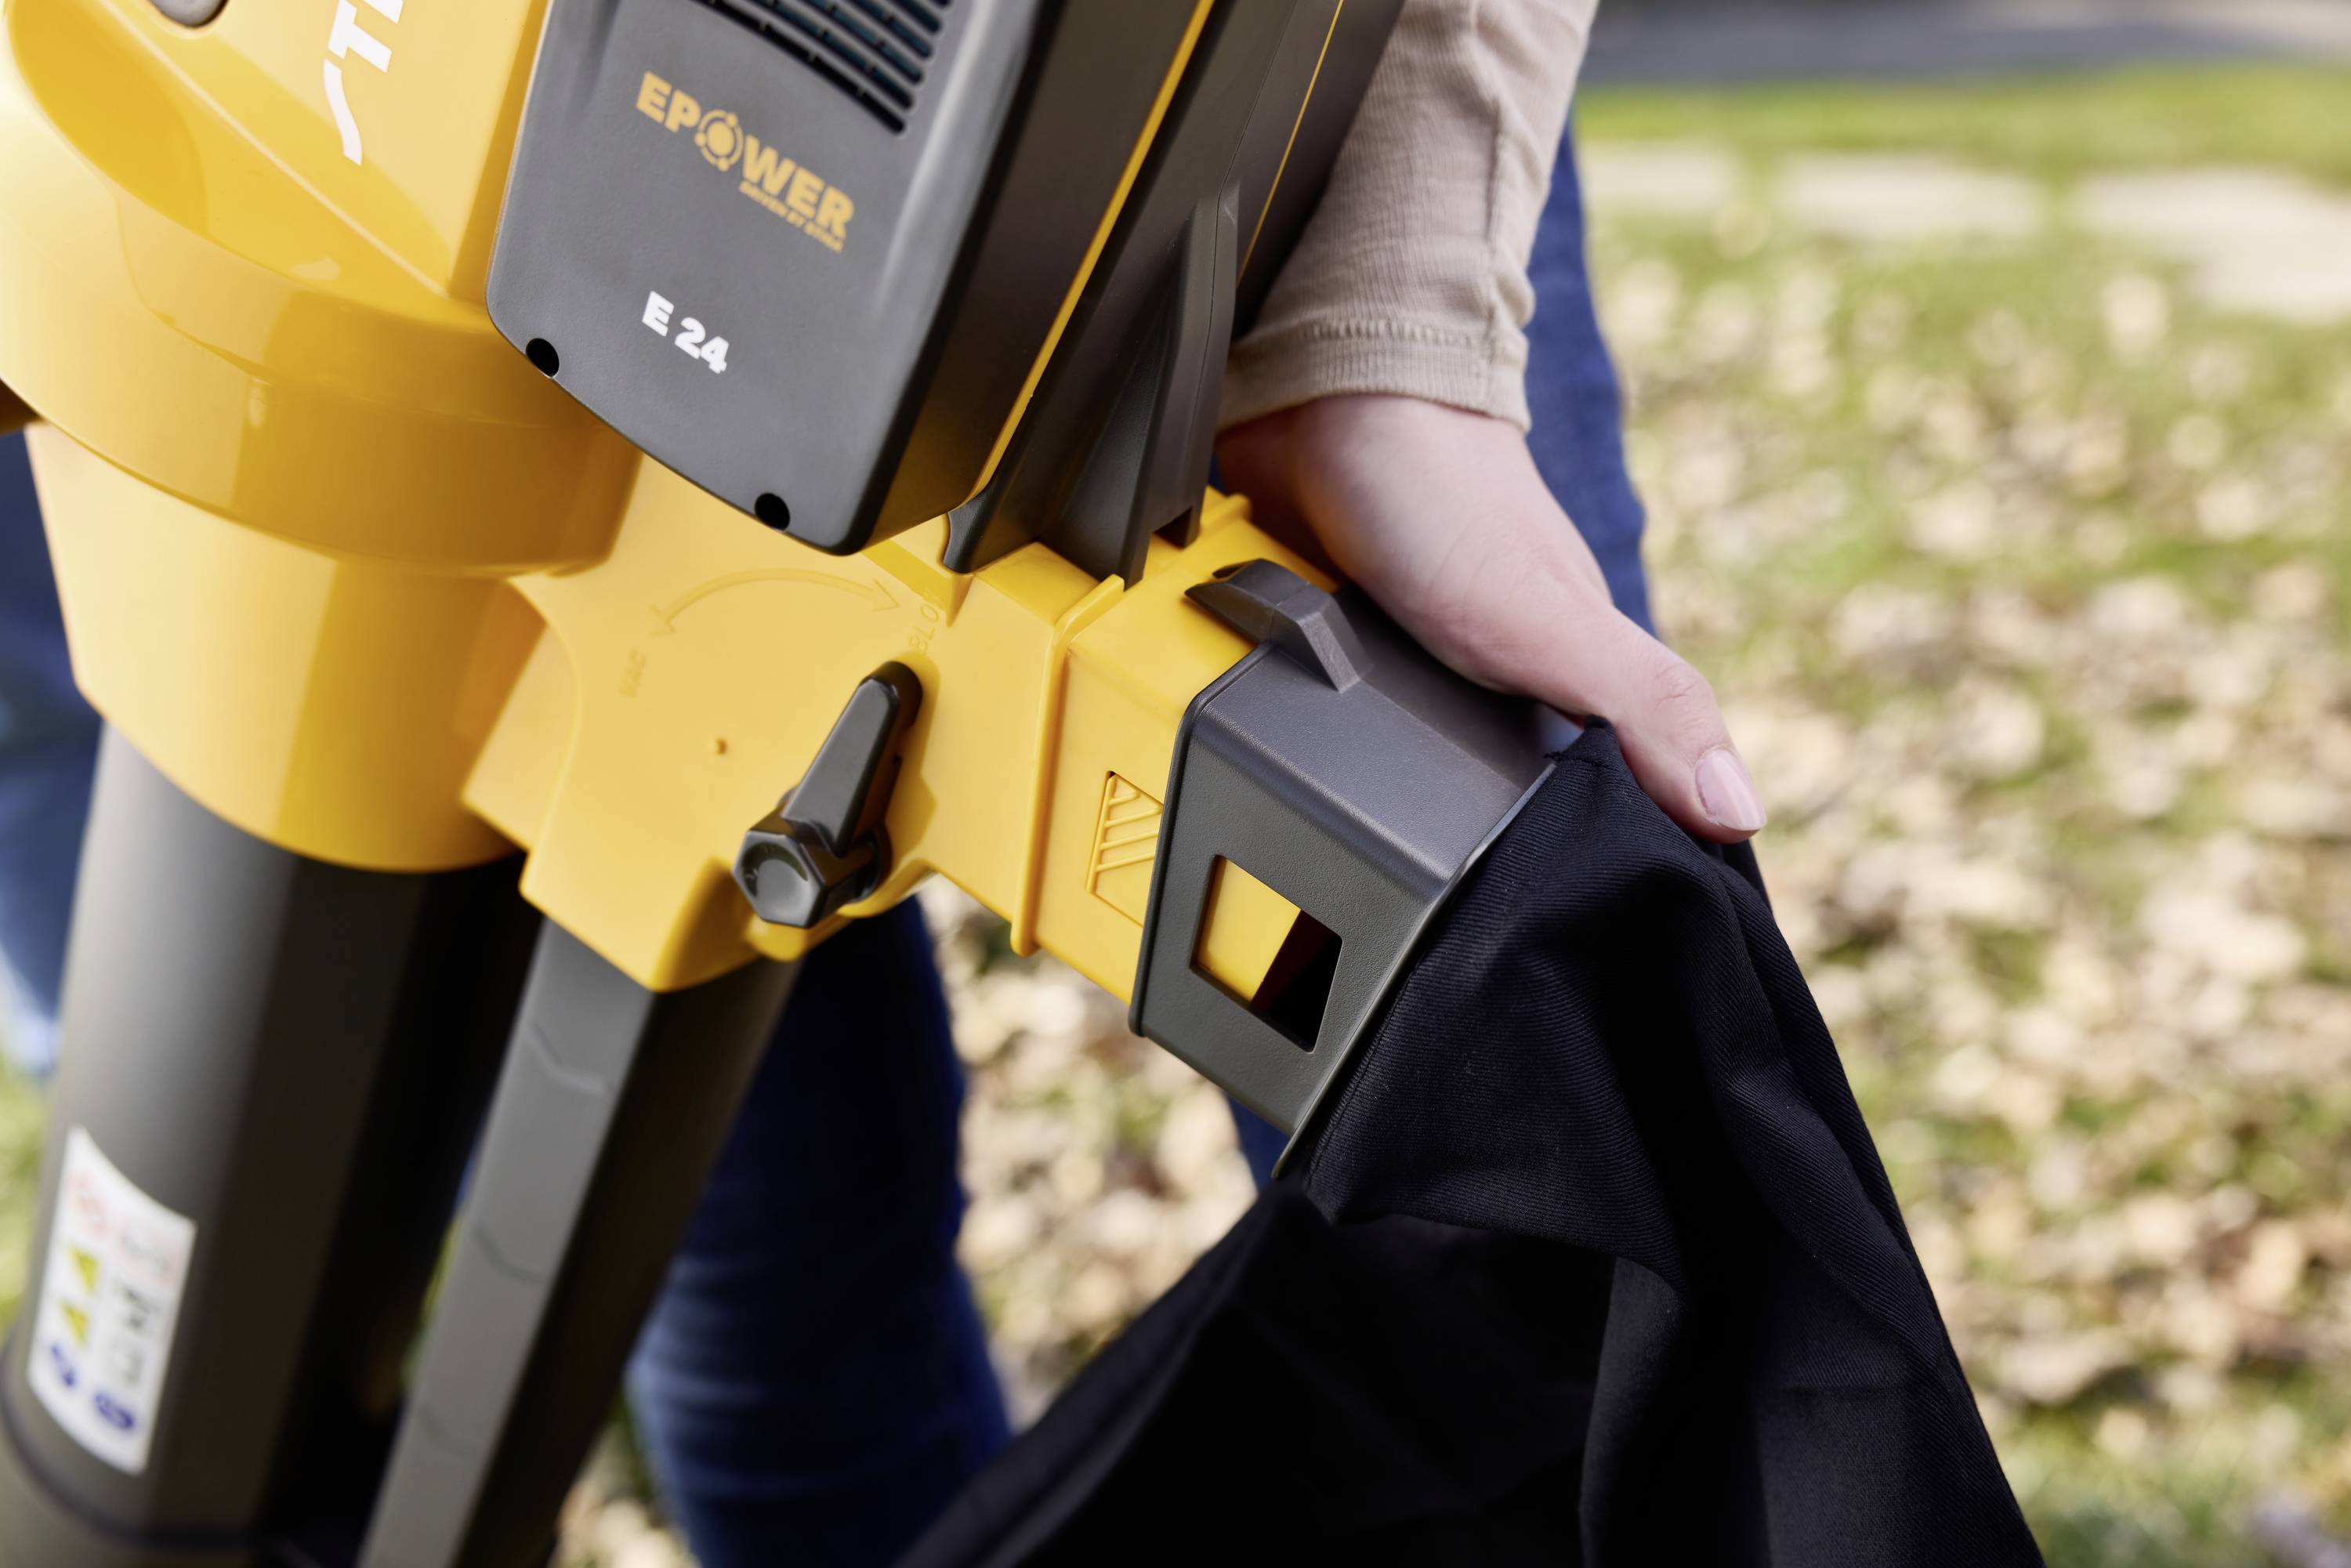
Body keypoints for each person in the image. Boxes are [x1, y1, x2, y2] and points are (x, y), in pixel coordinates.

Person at [0, 2, 1763, 1563]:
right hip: (335, 174)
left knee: (1522, 1143)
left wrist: (1387, 289)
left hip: (1229, 137)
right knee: (766, 1265)